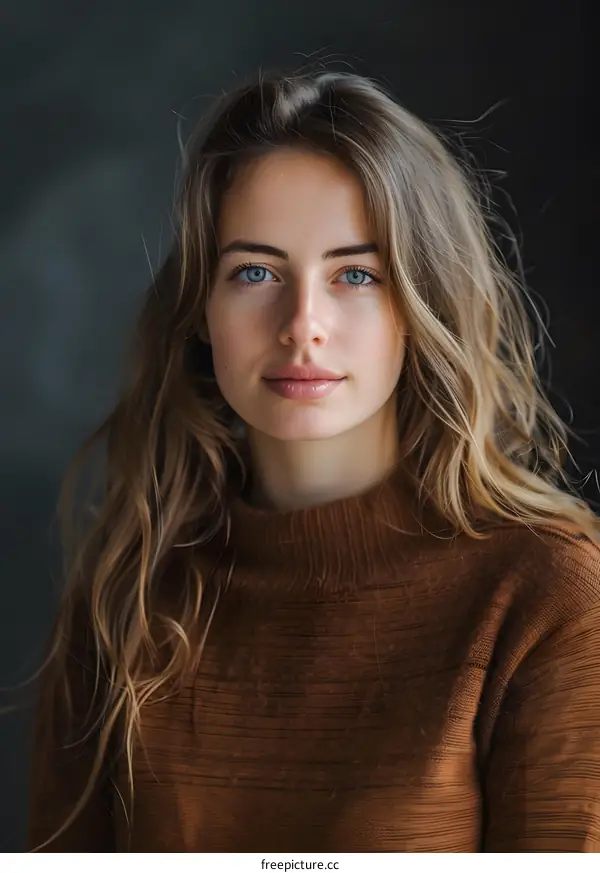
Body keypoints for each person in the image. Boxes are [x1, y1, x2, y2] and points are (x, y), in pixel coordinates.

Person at [25, 64, 600, 853]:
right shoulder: (126, 593)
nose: (303, 324)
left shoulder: (547, 600)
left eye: (356, 274)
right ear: (200, 304)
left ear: (423, 302)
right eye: (255, 272)